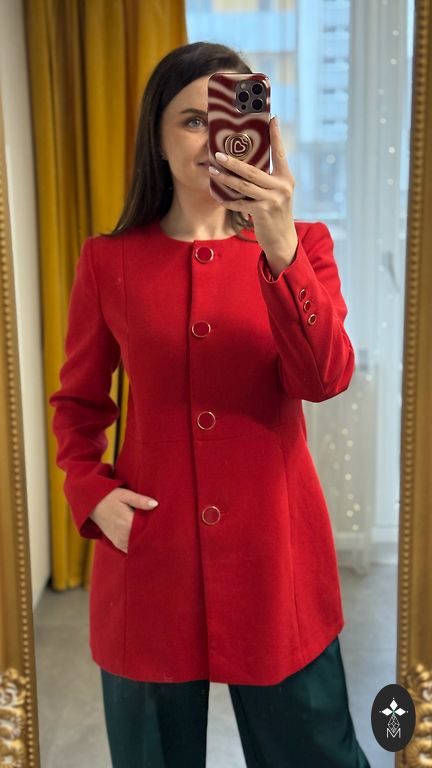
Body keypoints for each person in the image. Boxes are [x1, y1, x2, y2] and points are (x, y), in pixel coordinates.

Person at [49, 41, 371, 767]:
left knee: (316, 753)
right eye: (192, 120)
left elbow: (324, 378)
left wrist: (280, 247)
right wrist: (90, 491)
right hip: (150, 561)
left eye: (228, 118)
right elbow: (78, 402)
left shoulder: (305, 246)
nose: (213, 137)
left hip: (276, 559)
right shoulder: (109, 260)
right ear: (157, 141)